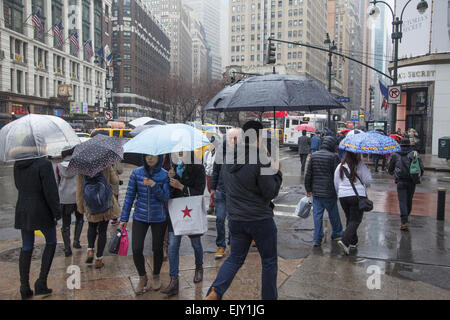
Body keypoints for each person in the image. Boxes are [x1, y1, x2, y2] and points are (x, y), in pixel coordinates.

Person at [205, 121, 283, 300]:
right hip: (260, 220)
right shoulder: (260, 158)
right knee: (269, 261)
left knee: (234, 259)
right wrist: (276, 172)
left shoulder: (228, 159)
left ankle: (216, 291)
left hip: (236, 220)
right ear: (257, 137)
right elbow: (270, 192)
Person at [14, 136, 61, 299]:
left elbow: (17, 186)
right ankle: (41, 282)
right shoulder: (44, 164)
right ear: (39, 146)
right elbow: (50, 191)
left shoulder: (18, 163)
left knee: (26, 246)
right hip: (41, 210)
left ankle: (24, 287)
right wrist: (56, 212)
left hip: (23, 209)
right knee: (51, 241)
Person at [120, 154, 170, 294]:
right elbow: (129, 196)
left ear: (159, 158)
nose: (149, 159)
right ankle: (142, 277)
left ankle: (156, 275)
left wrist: (153, 185)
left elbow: (165, 197)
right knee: (136, 248)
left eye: (153, 156)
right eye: (147, 156)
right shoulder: (136, 173)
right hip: (140, 216)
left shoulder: (164, 175)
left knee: (157, 248)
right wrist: (124, 218)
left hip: (159, 217)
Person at [161, 151, 206, 297]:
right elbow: (168, 191)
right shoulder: (174, 166)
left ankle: (199, 267)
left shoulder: (198, 167)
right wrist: (170, 179)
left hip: (191, 211)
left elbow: (199, 191)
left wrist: (181, 186)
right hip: (175, 211)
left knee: (196, 244)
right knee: (173, 245)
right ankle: (174, 280)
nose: (179, 153)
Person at [76, 166, 121, 269]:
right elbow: (115, 181)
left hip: (90, 204)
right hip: (105, 203)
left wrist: (80, 206)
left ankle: (90, 249)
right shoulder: (105, 164)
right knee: (102, 231)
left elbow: (79, 189)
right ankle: (99, 259)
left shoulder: (82, 168)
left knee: (91, 226)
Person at [305, 136, 343, 247]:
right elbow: (338, 175)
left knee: (317, 216)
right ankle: (337, 233)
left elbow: (308, 174)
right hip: (330, 191)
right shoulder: (333, 157)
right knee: (333, 213)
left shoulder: (314, 156)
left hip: (316, 192)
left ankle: (317, 239)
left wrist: (308, 189)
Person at [210, 130, 242, 259]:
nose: (232, 140)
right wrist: (213, 188)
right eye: (230, 138)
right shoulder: (221, 152)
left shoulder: (242, 154)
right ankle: (221, 245)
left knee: (233, 220)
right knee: (220, 219)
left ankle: (232, 244)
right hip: (221, 191)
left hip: (235, 193)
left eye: (235, 138)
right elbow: (215, 171)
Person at [334, 152, 372, 255]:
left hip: (343, 196)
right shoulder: (360, 165)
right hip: (357, 196)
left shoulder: (340, 166)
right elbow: (368, 181)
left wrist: (339, 193)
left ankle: (353, 241)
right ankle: (345, 241)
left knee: (350, 219)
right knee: (355, 220)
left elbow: (336, 182)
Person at [388, 138, 424, 231]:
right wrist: (419, 176)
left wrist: (392, 172)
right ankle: (406, 216)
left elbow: (390, 168)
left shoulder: (395, 154)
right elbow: (421, 168)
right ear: (409, 145)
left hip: (400, 181)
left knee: (402, 201)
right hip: (412, 181)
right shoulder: (414, 154)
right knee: (409, 199)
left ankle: (404, 221)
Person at [56, 146, 84, 257]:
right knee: (80, 219)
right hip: (77, 197)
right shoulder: (79, 165)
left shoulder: (58, 167)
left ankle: (67, 248)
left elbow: (57, 182)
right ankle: (76, 241)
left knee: (65, 224)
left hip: (64, 199)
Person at [204, 139, 216, 215]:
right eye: (210, 144)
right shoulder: (207, 153)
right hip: (208, 174)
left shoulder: (218, 154)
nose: (210, 146)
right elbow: (205, 163)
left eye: (212, 144)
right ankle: (212, 205)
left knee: (213, 191)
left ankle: (212, 206)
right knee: (209, 190)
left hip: (214, 174)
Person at [110, 161, 124, 226]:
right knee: (114, 201)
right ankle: (114, 218)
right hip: (113, 185)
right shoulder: (114, 159)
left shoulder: (99, 161)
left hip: (102, 186)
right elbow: (120, 170)